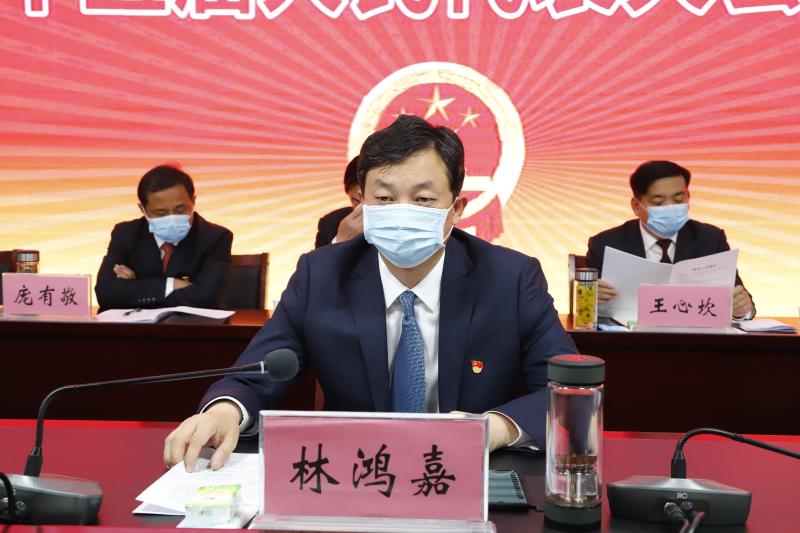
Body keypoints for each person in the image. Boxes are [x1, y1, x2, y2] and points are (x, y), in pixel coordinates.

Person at [164, 115, 577, 471]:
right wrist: (224, 411)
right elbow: (258, 372)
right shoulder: (321, 274)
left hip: (468, 473)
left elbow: (567, 393)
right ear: (361, 203)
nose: (402, 210)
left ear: (457, 209)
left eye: (423, 199)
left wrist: (494, 428)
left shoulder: (510, 278)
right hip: (353, 473)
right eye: (384, 198)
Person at [585, 160, 755, 319]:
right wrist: (590, 297)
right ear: (636, 206)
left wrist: (741, 310)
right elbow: (586, 308)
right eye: (658, 202)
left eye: (678, 199)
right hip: (630, 337)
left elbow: (741, 300)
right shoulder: (606, 244)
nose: (670, 207)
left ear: (688, 197)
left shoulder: (710, 239)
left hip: (695, 337)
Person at [95, 165, 233, 311]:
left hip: (194, 324)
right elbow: (106, 294)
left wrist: (136, 287)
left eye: (180, 209)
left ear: (193, 201)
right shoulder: (126, 233)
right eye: (161, 212)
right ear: (142, 209)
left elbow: (206, 298)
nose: (172, 218)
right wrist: (171, 284)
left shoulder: (215, 237)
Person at [314, 156, 363, 248]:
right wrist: (340, 241)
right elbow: (318, 258)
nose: (364, 209)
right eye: (356, 201)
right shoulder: (330, 225)